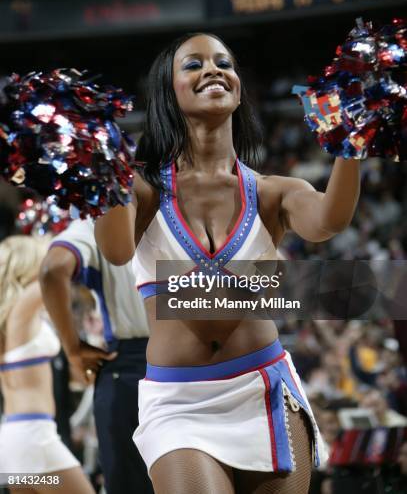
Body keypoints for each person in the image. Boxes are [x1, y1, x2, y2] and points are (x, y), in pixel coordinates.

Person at [94, 32, 362, 494]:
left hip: (264, 390)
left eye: (224, 62)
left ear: (239, 87)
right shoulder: (140, 189)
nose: (213, 70)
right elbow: (116, 251)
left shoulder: (275, 191)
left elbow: (328, 221)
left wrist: (351, 141)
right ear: (168, 92)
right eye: (193, 65)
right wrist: (101, 171)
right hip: (179, 404)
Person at [40, 217, 153, 494]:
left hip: (26, 441)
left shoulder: (18, 313)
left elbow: (51, 270)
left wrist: (73, 350)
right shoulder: (185, 212)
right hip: (191, 368)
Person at [0, 235, 94, 494]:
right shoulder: (20, 310)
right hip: (35, 439)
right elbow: (52, 273)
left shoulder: (11, 317)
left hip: (15, 443)